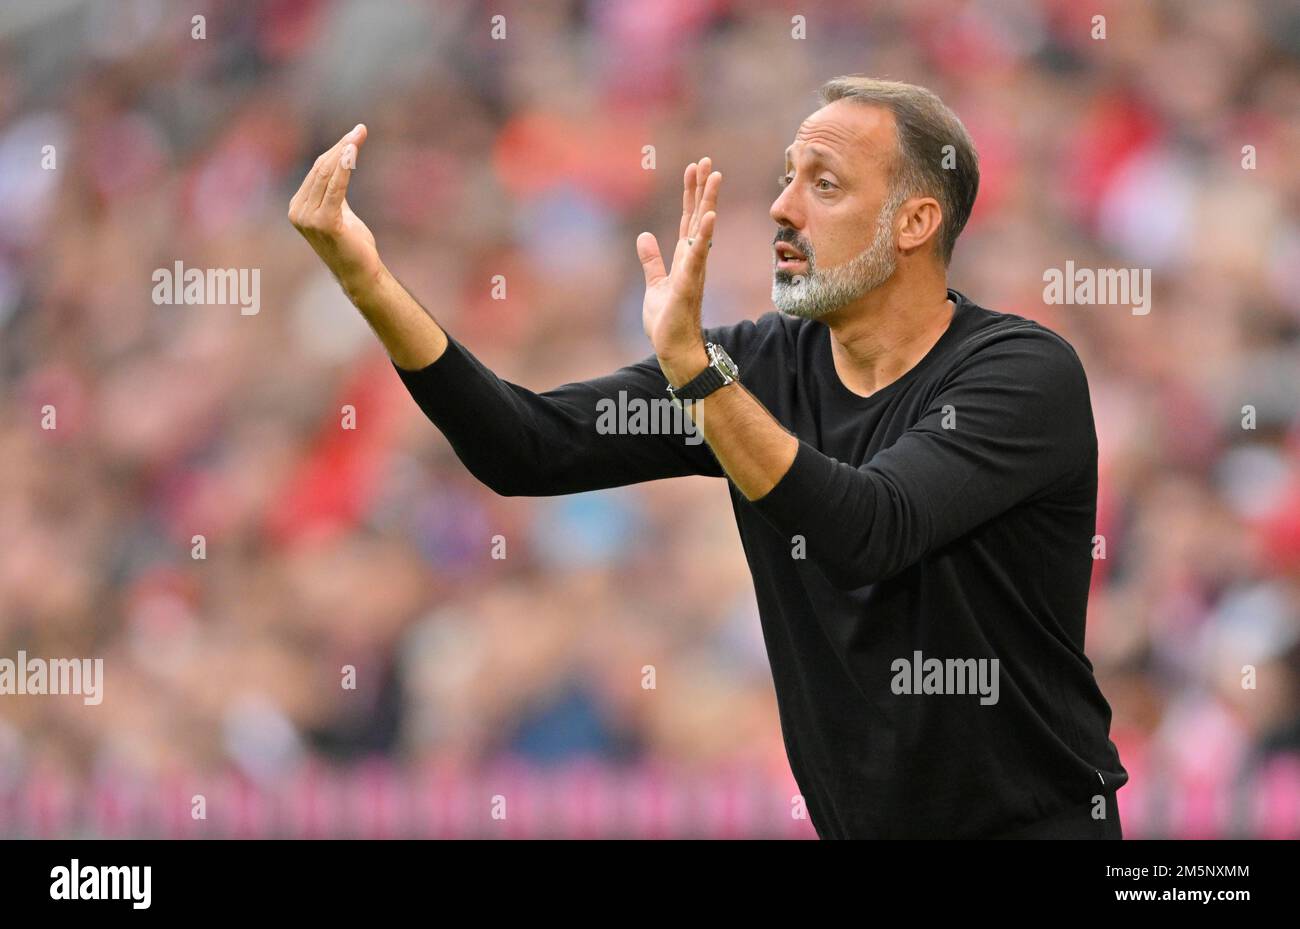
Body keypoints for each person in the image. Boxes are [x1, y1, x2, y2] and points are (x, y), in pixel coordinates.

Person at [289, 75, 1128, 839]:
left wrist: (697, 375)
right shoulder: (757, 366)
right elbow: (527, 448)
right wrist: (368, 282)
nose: (784, 207)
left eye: (823, 184)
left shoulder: (1022, 375)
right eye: (786, 178)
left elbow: (868, 529)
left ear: (914, 222)